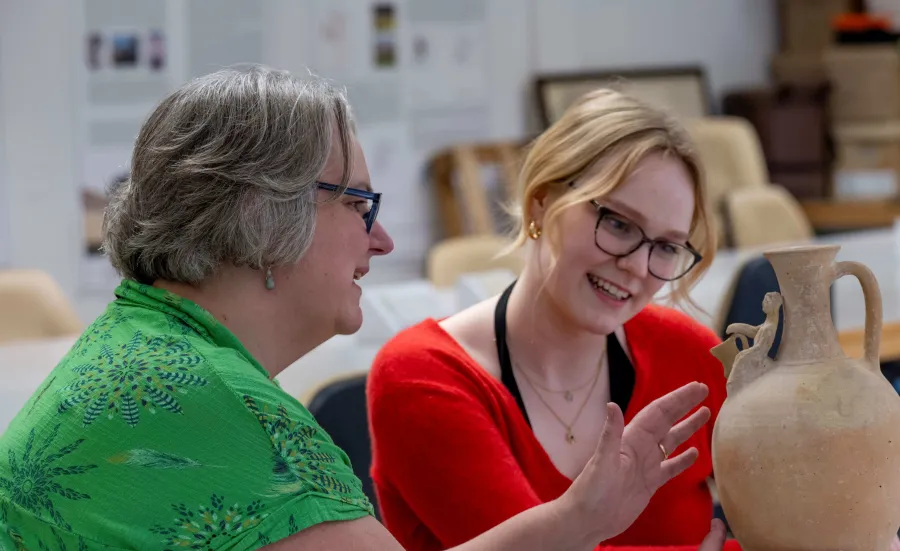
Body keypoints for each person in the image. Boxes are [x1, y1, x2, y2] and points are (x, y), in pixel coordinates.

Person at [0, 65, 725, 551]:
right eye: (358, 204)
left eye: (666, 245)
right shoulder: (218, 405)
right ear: (264, 215)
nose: (381, 239)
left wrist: (577, 519)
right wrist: (579, 520)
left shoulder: (151, 347)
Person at [366, 88, 739, 551]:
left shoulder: (688, 355)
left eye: (665, 247)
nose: (638, 268)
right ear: (541, 202)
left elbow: (792, 520)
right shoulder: (423, 378)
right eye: (619, 224)